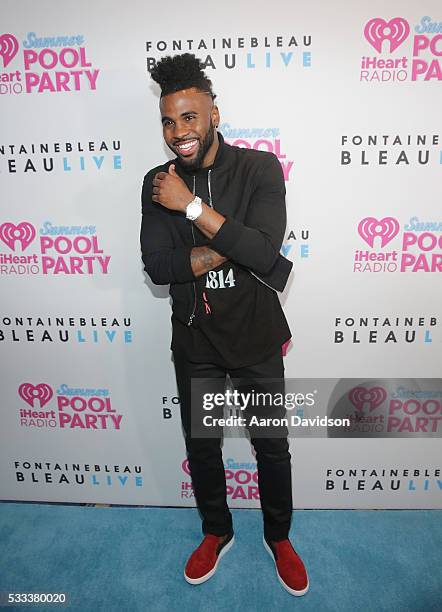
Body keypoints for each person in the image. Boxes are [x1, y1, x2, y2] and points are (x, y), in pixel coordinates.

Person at [140, 53, 309, 596]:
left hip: (256, 336)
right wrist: (228, 246)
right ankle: (217, 530)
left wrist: (191, 211)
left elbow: (265, 250)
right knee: (202, 445)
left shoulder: (259, 167)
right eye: (169, 121)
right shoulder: (156, 182)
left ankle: (278, 536)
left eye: (189, 117)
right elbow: (160, 267)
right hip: (195, 339)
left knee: (272, 445)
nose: (178, 132)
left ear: (214, 113)